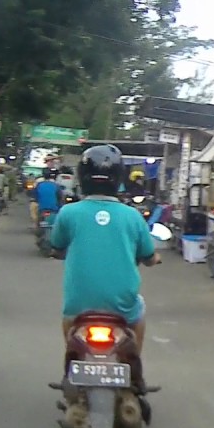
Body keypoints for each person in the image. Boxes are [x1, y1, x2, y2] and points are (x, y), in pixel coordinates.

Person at [50, 145, 160, 361]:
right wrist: (155, 259)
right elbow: (149, 256)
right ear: (118, 177)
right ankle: (134, 366)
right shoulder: (133, 216)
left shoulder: (68, 213)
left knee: (68, 319)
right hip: (123, 305)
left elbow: (56, 247)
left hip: (78, 303)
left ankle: (72, 363)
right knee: (139, 312)